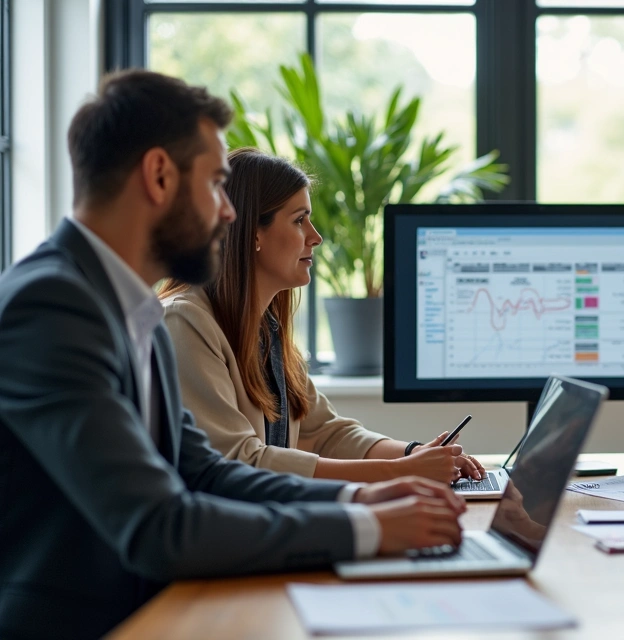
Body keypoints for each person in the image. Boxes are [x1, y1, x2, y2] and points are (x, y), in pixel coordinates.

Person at [0, 70, 466, 640]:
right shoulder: (53, 305)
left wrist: (363, 494)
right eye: (218, 184)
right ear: (160, 176)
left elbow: (207, 470)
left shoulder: (126, 304)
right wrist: (366, 527)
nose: (228, 212)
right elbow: (160, 525)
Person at [159, 148, 484, 484]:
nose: (316, 237)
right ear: (254, 232)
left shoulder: (265, 330)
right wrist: (402, 471)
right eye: (299, 220)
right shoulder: (185, 324)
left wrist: (414, 453)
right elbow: (239, 462)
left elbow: (325, 433)